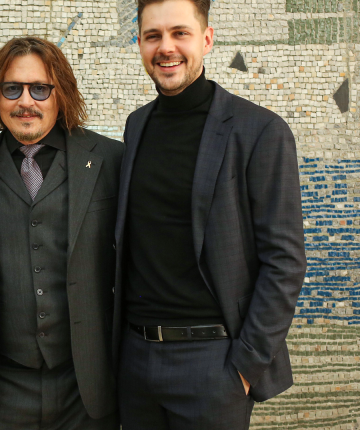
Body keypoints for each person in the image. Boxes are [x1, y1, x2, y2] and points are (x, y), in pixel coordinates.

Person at [113, 0, 307, 429]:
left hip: (213, 365)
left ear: (207, 39)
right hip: (136, 361)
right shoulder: (136, 126)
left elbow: (286, 261)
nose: (166, 47)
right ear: (140, 43)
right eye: (153, 35)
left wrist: (244, 367)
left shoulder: (260, 130)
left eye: (180, 33)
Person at [0, 37, 123, 430]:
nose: (25, 102)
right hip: (2, 388)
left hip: (87, 388)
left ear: (60, 94)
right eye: (12, 89)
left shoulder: (111, 160)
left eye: (40, 89)